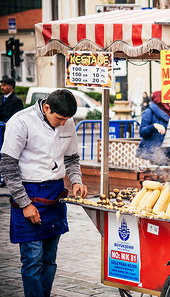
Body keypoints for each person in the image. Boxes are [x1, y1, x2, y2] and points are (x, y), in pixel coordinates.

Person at [0, 89, 88, 297]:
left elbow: (72, 158)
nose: (62, 123)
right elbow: (8, 166)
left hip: (55, 195)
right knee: (32, 260)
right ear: (46, 107)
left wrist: (76, 181)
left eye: (66, 119)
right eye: (59, 119)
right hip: (28, 192)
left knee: (49, 259)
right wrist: (24, 203)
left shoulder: (67, 122)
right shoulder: (21, 121)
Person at [136, 91, 170, 166]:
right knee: (159, 176)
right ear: (162, 101)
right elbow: (142, 132)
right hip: (158, 152)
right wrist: (153, 126)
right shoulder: (149, 112)